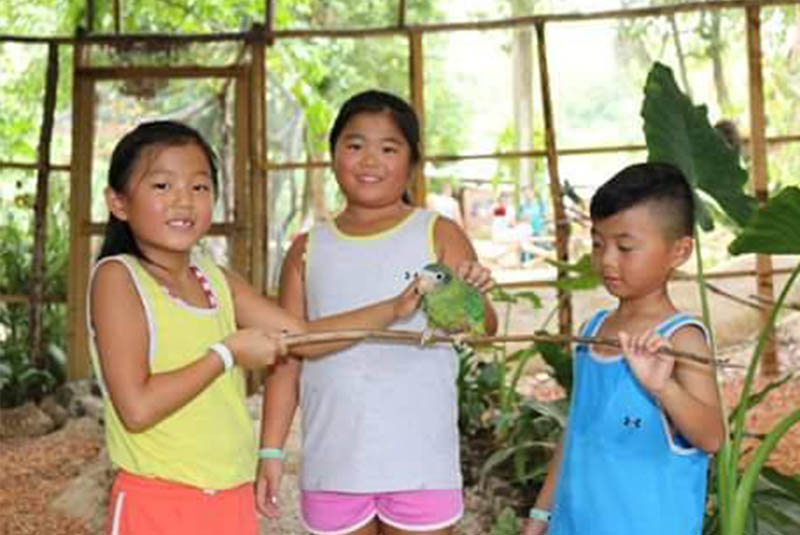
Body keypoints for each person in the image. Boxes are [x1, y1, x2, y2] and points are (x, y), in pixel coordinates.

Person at [87, 120, 422, 535]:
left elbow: (304, 337)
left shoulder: (215, 279)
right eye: (162, 187)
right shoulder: (118, 278)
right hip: (158, 502)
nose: (184, 202)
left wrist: (393, 308)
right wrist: (226, 354)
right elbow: (137, 409)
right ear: (118, 203)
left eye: (199, 187)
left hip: (231, 498)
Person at [258, 89, 498, 535]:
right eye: (355, 145)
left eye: (388, 148)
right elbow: (287, 357)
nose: (370, 160)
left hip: (420, 458)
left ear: (412, 163)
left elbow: (483, 330)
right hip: (334, 458)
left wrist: (477, 295)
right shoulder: (307, 250)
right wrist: (271, 451)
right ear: (332, 156)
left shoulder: (438, 233)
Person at [523, 162, 724, 535]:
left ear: (679, 251)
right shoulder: (594, 331)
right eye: (599, 244)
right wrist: (541, 515)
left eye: (625, 247)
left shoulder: (681, 339)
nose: (607, 260)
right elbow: (576, 430)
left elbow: (712, 436)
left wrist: (664, 387)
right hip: (574, 523)